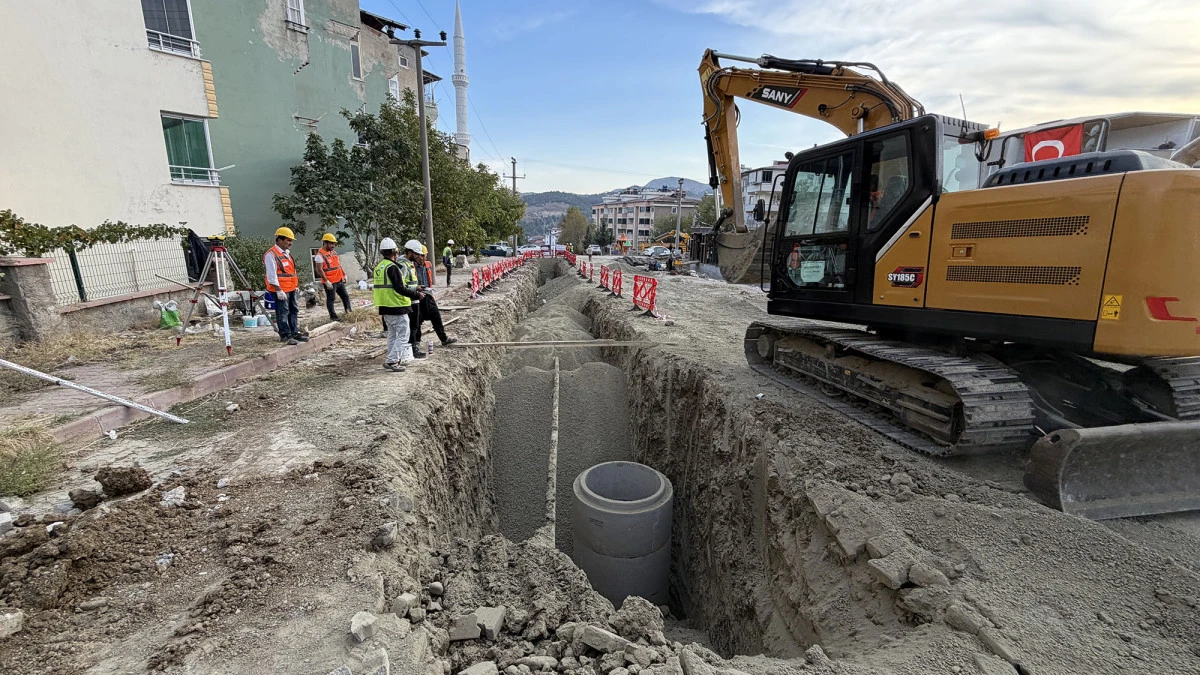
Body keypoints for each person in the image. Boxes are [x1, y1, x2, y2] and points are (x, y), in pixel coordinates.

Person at [373, 238, 423, 372]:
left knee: (392, 335)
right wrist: (416, 295)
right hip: (396, 306)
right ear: (395, 252)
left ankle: (391, 358)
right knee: (403, 335)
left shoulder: (379, 267)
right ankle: (393, 361)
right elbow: (400, 288)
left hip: (384, 307)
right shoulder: (393, 268)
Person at [408, 243, 458, 358]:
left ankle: (444, 338)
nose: (422, 258)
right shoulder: (411, 266)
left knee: (435, 315)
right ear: (415, 256)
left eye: (423, 256)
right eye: (420, 256)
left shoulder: (428, 265)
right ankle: (416, 344)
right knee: (417, 320)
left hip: (428, 294)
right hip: (416, 295)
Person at [264, 227, 307, 345]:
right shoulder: (271, 254)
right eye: (288, 240)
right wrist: (278, 290)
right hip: (280, 289)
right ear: (279, 240)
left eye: (291, 240)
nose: (290, 243)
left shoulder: (287, 254)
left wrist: (295, 285)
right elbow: (271, 275)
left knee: (293, 310)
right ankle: (285, 335)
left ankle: (294, 332)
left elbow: (291, 272)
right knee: (283, 312)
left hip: (291, 288)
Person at [314, 233, 352, 320]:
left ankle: (349, 311)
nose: (333, 245)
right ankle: (333, 316)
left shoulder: (333, 252)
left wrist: (344, 274)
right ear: (325, 243)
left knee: (345, 296)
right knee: (331, 299)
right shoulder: (319, 256)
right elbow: (319, 270)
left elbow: (338, 265)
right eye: (331, 243)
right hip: (330, 281)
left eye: (334, 243)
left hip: (339, 279)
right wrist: (326, 281)